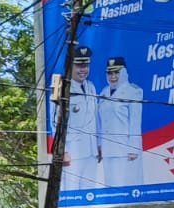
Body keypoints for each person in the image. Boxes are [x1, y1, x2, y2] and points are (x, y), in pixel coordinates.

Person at [58, 45, 103, 191]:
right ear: (70, 65)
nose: (83, 69)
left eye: (86, 65)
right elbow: (56, 123)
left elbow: (95, 119)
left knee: (89, 192)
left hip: (91, 151)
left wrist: (99, 144)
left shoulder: (91, 87)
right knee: (71, 192)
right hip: (73, 153)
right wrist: (62, 151)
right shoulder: (62, 88)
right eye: (79, 65)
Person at [97, 55, 145, 188]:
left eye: (116, 72)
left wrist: (133, 149)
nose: (113, 76)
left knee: (127, 188)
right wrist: (99, 145)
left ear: (123, 72)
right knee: (111, 188)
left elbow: (135, 122)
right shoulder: (104, 93)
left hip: (125, 151)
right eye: (110, 73)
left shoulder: (133, 91)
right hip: (108, 150)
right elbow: (100, 123)